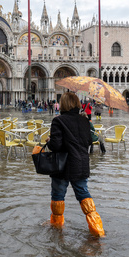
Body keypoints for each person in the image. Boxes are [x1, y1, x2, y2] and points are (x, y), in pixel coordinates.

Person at [45, 92, 105, 237]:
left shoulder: (58, 121)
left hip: (63, 165)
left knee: (58, 195)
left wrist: (49, 141)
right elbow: (90, 141)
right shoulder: (85, 120)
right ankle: (97, 230)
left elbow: (56, 146)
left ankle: (57, 226)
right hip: (80, 164)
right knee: (84, 193)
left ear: (63, 104)